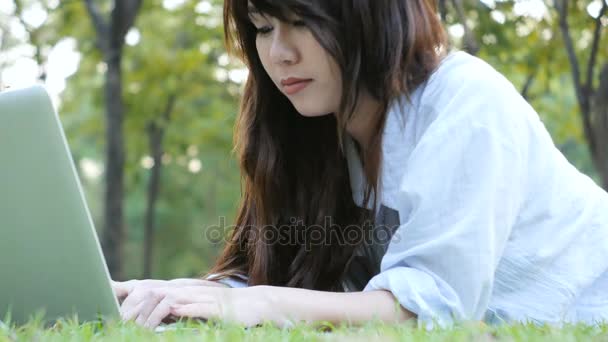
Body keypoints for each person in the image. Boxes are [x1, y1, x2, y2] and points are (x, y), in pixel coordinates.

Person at [112, 0, 608, 330]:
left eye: (301, 21)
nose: (279, 53)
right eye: (263, 28)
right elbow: (289, 281)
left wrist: (258, 303)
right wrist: (172, 294)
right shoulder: (313, 129)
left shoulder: (465, 102)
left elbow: (429, 311)